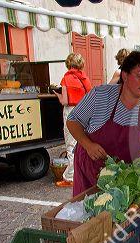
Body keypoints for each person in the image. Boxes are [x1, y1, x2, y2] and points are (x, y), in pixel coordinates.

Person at [67, 51, 140, 196]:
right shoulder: (100, 95)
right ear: (125, 75)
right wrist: (88, 144)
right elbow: (73, 120)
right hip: (89, 170)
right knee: (86, 214)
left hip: (123, 178)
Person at [54, 53, 92, 188]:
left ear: (68, 63)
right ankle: (84, 173)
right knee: (83, 144)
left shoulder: (66, 79)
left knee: (71, 145)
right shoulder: (85, 78)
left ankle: (70, 177)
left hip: (71, 112)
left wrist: (57, 94)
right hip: (85, 112)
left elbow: (64, 101)